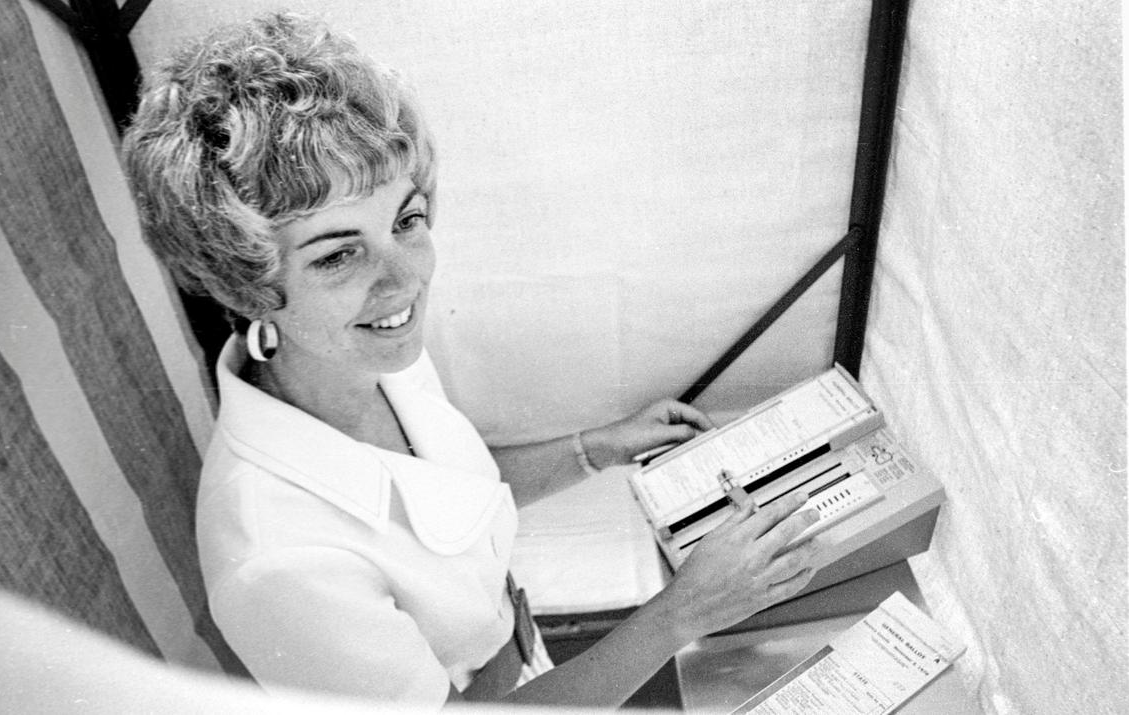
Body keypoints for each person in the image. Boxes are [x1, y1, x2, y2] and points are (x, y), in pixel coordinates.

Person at [121, 13, 821, 709]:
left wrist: (593, 448)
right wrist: (683, 612)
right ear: (245, 280)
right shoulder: (275, 561)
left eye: (407, 220)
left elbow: (445, 499)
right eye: (337, 253)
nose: (403, 279)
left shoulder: (364, 353)